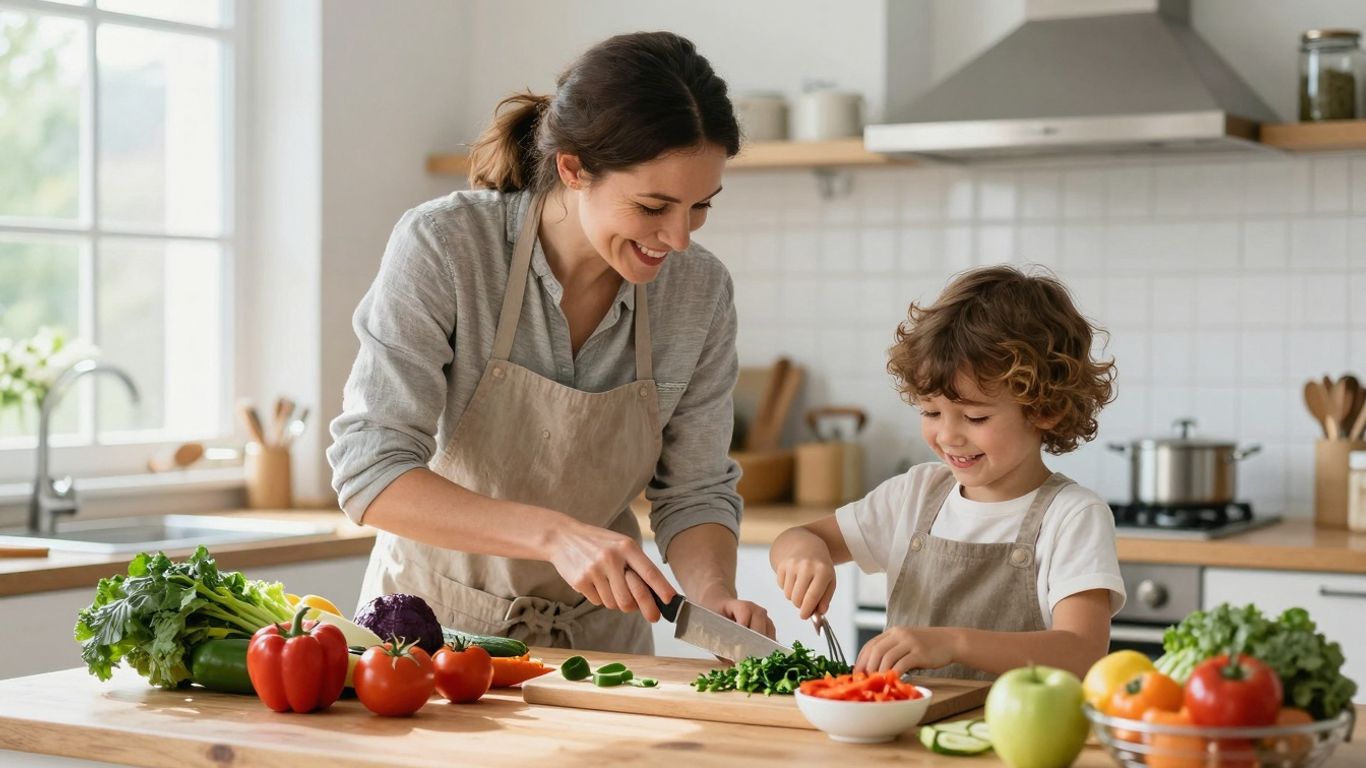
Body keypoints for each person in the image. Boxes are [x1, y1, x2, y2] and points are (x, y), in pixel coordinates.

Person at [328, 31, 774, 654]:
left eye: (700, 207)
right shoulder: (448, 246)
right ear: (572, 168)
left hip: (601, 651)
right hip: (428, 638)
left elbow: (694, 489)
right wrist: (556, 536)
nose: (677, 239)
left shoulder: (698, 291)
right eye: (653, 206)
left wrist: (716, 593)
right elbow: (370, 473)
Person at [769, 265, 1125, 680]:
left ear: (1046, 409)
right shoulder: (916, 494)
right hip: (905, 735)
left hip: (1020, 743)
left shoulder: (1072, 516)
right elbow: (798, 538)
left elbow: (1081, 651)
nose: (948, 435)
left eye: (975, 416)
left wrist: (953, 643)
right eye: (931, 412)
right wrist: (804, 556)